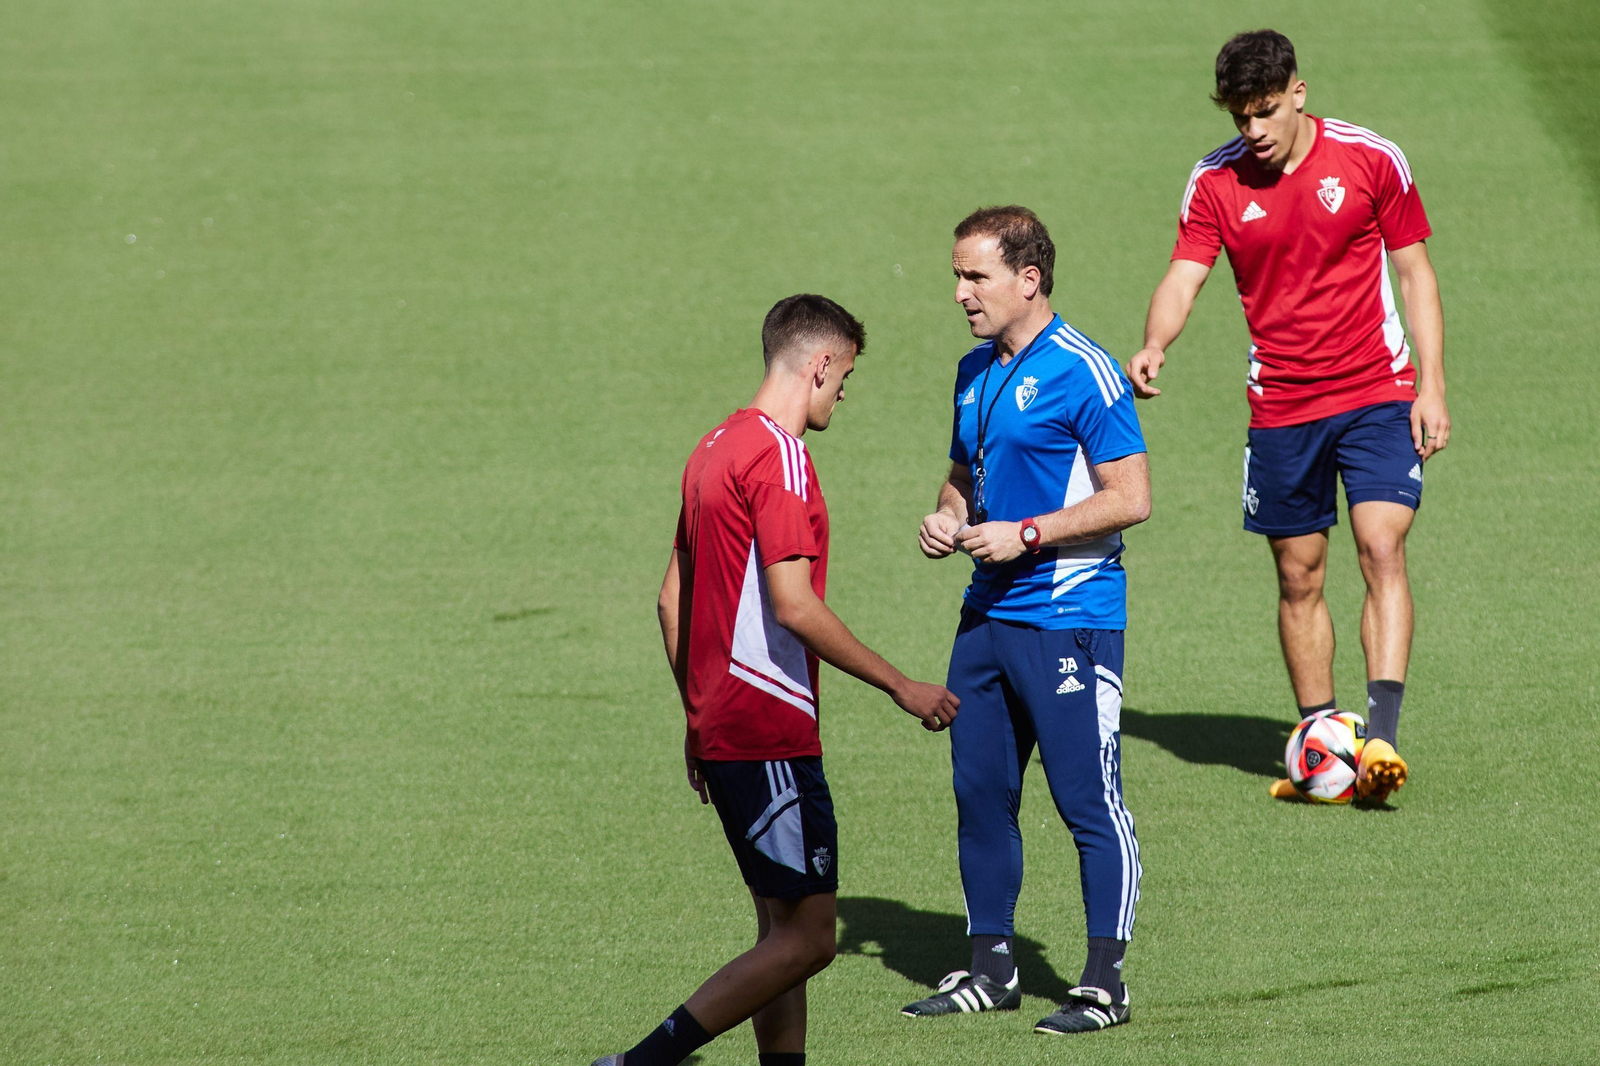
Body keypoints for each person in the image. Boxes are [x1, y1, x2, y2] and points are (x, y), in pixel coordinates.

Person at [592, 294, 960, 1066]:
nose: (844, 393)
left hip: (725, 729)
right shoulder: (780, 456)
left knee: (777, 928)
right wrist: (903, 686)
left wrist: (698, 720)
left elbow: (671, 599)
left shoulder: (712, 447)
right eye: (846, 375)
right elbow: (794, 606)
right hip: (768, 731)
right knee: (811, 940)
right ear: (820, 363)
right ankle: (643, 1061)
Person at [1126, 29, 1450, 803]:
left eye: (1266, 112)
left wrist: (1432, 386)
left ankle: (1381, 742)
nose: (1255, 132)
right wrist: (1155, 342)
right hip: (1282, 406)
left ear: (1298, 92)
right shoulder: (1213, 182)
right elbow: (1184, 274)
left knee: (1381, 546)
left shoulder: (1372, 159)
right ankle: (1321, 740)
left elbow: (1416, 273)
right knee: (1299, 575)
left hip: (1377, 388)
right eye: (1242, 118)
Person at [908, 206, 1150, 1035]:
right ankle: (990, 967)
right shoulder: (974, 372)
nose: (959, 293)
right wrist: (948, 516)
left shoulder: (1087, 371)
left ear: (1028, 279)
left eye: (974, 276)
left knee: (1088, 801)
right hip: (987, 616)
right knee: (980, 792)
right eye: (957, 275)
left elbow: (1132, 498)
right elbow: (963, 476)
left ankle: (1104, 984)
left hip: (1069, 617)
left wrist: (1029, 533)